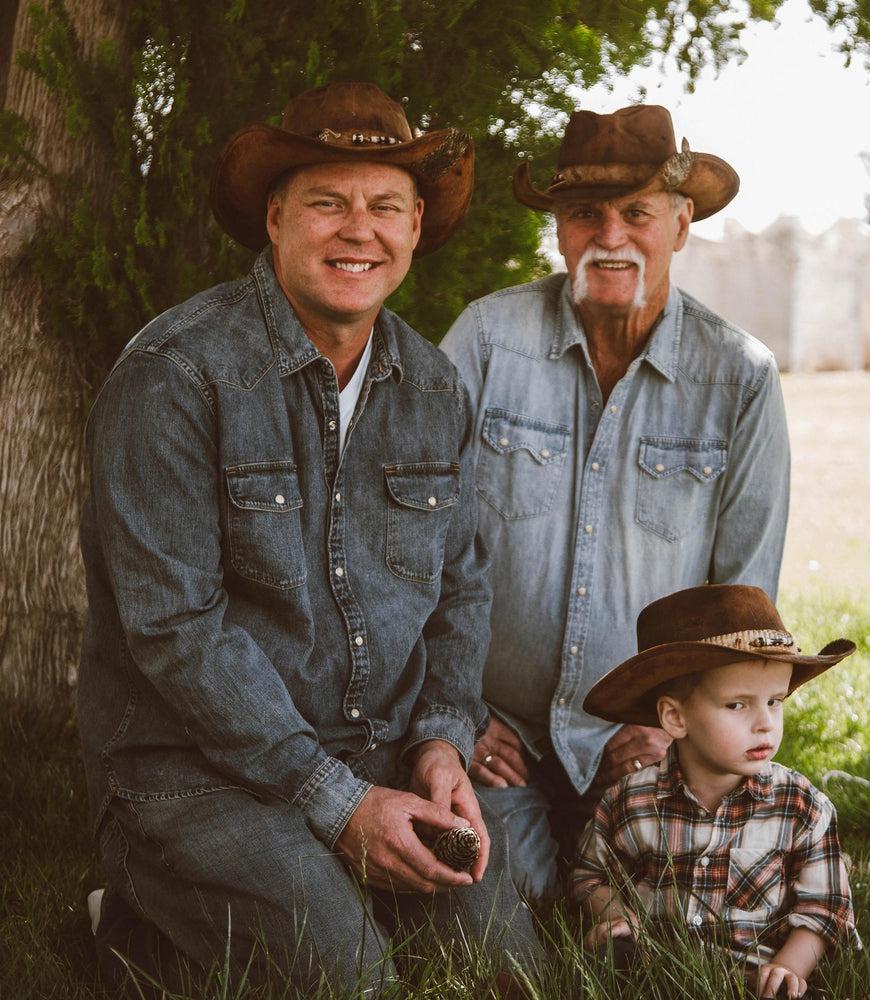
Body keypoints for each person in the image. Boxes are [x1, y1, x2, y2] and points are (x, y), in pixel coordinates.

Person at [76, 80, 539, 994]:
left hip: (373, 754)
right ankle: (136, 896)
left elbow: (460, 591)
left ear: (413, 230)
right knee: (354, 983)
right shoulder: (174, 376)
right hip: (191, 769)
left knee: (503, 972)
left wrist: (440, 745)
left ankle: (211, 920)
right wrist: (338, 805)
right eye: (328, 202)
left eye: (385, 206)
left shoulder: (435, 388)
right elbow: (174, 631)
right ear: (277, 218)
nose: (356, 230)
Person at [440, 103, 791, 895]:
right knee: (486, 913)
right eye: (584, 214)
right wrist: (455, 710)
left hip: (655, 739)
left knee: (687, 922)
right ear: (559, 229)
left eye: (637, 213)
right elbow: (410, 543)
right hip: (500, 734)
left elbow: (747, 602)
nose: (611, 235)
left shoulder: (739, 376)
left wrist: (678, 724)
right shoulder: (487, 341)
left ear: (681, 224)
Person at [571, 584, 864, 999]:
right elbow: (590, 875)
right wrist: (616, 917)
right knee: (607, 972)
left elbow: (826, 907)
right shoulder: (629, 802)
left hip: (757, 979)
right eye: (738, 705)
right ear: (675, 717)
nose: (765, 723)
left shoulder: (801, 807)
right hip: (655, 971)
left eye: (775, 702)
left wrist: (789, 967)